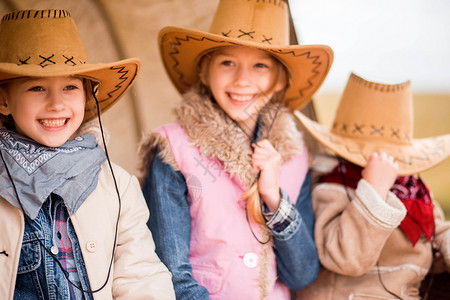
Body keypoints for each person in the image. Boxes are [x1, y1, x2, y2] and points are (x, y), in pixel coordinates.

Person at [137, 0, 333, 299]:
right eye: (227, 62)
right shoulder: (173, 149)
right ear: (204, 71)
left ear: (280, 79)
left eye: (260, 65)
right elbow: (169, 272)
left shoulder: (295, 156)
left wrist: (274, 198)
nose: (242, 80)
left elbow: (301, 274)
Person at [0, 9, 175, 299]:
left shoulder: (117, 186)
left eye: (70, 86)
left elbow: (141, 277)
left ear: (86, 95)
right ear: (4, 100)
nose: (56, 104)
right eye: (37, 87)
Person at [294, 72, 450, 299]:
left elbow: (435, 232)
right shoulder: (331, 188)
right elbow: (346, 258)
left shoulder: (414, 191)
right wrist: (375, 189)